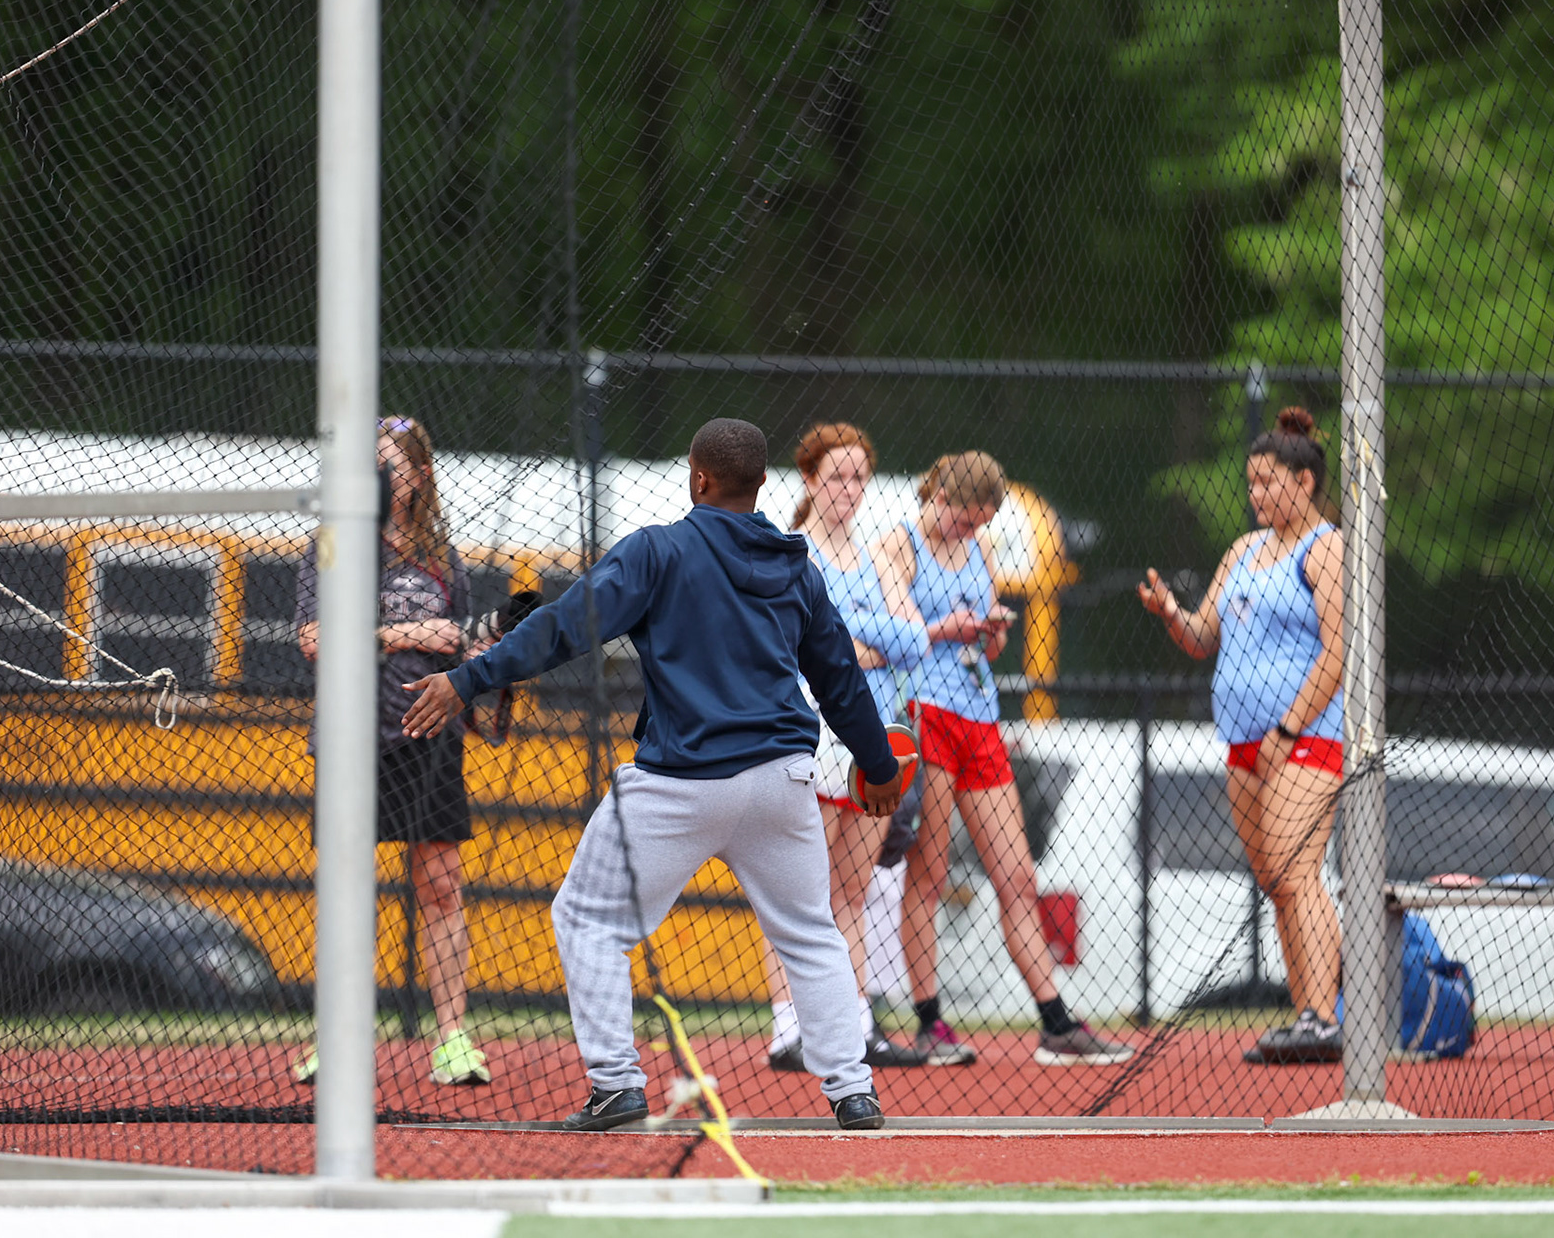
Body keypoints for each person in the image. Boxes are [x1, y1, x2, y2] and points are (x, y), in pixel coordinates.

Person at [400, 418, 905, 1132]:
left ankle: (617, 1087)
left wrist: (469, 679)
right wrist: (880, 767)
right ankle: (853, 1092)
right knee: (810, 932)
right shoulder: (797, 564)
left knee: (587, 919)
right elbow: (841, 682)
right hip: (781, 780)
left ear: (698, 477)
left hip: (681, 783)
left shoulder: (660, 549)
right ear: (762, 485)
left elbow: (564, 627)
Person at [878, 452, 1134, 1066]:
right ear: (938, 497)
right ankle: (929, 1023)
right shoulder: (899, 542)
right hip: (927, 716)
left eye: (979, 523)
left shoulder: (981, 550)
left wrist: (991, 631)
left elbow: (988, 643)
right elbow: (903, 626)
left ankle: (1055, 1022)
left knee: (1017, 876)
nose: (969, 532)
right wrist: (953, 627)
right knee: (930, 874)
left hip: (978, 713)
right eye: (963, 519)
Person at [1137, 406, 1345, 1064]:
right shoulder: (1244, 551)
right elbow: (1203, 637)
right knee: (1274, 880)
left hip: (1304, 738)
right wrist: (1172, 614)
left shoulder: (1327, 548)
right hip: (1244, 743)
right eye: (1250, 483)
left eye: (1267, 482)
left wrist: (1289, 726)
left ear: (1304, 482)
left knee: (1297, 870)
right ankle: (1305, 1015)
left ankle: (1325, 1014)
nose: (1255, 494)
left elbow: (1338, 655)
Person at [294, 414, 491, 1087]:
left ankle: (454, 1040)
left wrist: (466, 646)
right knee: (348, 891)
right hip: (352, 738)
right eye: (369, 462)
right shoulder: (334, 543)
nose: (378, 474)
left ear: (419, 475)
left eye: (391, 463)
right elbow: (315, 640)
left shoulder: (443, 559)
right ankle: (337, 1040)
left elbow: (460, 641)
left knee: (440, 885)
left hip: (430, 738)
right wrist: (404, 633)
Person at [763, 423, 928, 1073]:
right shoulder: (792, 552)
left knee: (852, 891)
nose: (850, 489)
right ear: (809, 478)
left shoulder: (878, 554)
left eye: (859, 476)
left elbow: (915, 640)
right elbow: (795, 639)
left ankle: (854, 1027)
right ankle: (788, 1029)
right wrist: (856, 646)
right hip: (813, 728)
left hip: (872, 733)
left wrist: (847, 640)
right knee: (800, 887)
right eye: (837, 476)